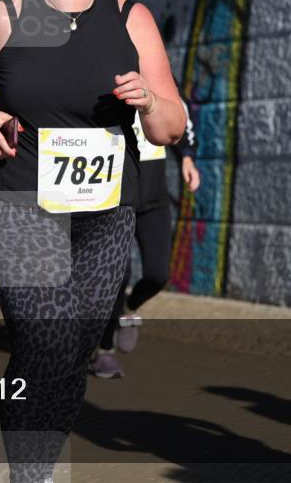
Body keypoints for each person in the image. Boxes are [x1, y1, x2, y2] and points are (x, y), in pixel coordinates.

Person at [0, 0, 185, 481]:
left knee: (71, 353)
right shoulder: (7, 17)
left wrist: (150, 98)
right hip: (22, 206)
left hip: (106, 214)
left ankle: (39, 464)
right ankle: (32, 474)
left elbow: (170, 126)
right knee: (47, 343)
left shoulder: (133, 18)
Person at [90, 98, 200, 379]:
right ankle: (104, 352)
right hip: (114, 196)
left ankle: (129, 309)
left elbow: (180, 117)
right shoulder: (108, 70)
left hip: (153, 198)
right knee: (118, 274)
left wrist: (186, 156)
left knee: (158, 273)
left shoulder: (160, 75)